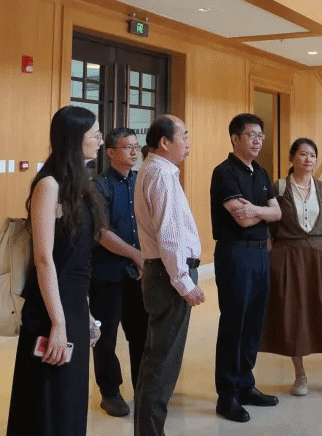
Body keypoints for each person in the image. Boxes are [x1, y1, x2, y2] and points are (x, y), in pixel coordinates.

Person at [6, 106, 106, 436]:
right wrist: (58, 323)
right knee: (47, 397)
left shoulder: (80, 185)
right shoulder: (48, 185)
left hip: (73, 305)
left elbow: (77, 260)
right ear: (75, 139)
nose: (100, 141)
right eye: (95, 135)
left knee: (69, 397)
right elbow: (44, 259)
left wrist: (87, 316)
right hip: (51, 308)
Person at [261, 138, 322, 400]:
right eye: (303, 154)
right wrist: (271, 255)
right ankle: (300, 375)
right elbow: (268, 226)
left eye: (313, 155)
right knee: (294, 315)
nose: (308, 159)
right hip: (288, 257)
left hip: (318, 258)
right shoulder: (279, 188)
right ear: (292, 158)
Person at [132, 115, 205, 436]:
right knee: (162, 363)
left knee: (155, 358)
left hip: (160, 271)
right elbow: (170, 236)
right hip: (167, 274)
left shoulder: (154, 170)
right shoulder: (161, 175)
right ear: (165, 142)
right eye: (184, 137)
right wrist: (184, 282)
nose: (188, 143)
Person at [211, 114, 282, 423]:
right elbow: (241, 219)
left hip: (259, 254)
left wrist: (256, 210)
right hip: (235, 253)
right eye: (251, 135)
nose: (257, 140)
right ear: (235, 138)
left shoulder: (261, 172)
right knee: (234, 323)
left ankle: (245, 385)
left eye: (260, 135)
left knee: (254, 322)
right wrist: (261, 212)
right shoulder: (224, 173)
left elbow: (278, 213)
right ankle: (226, 395)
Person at [89, 127, 148, 417]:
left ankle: (143, 387)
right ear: (111, 152)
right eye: (127, 147)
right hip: (107, 275)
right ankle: (110, 392)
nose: (134, 152)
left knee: (141, 334)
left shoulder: (141, 181)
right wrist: (136, 255)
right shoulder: (98, 186)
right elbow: (101, 233)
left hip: (138, 274)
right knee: (106, 337)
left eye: (136, 146)